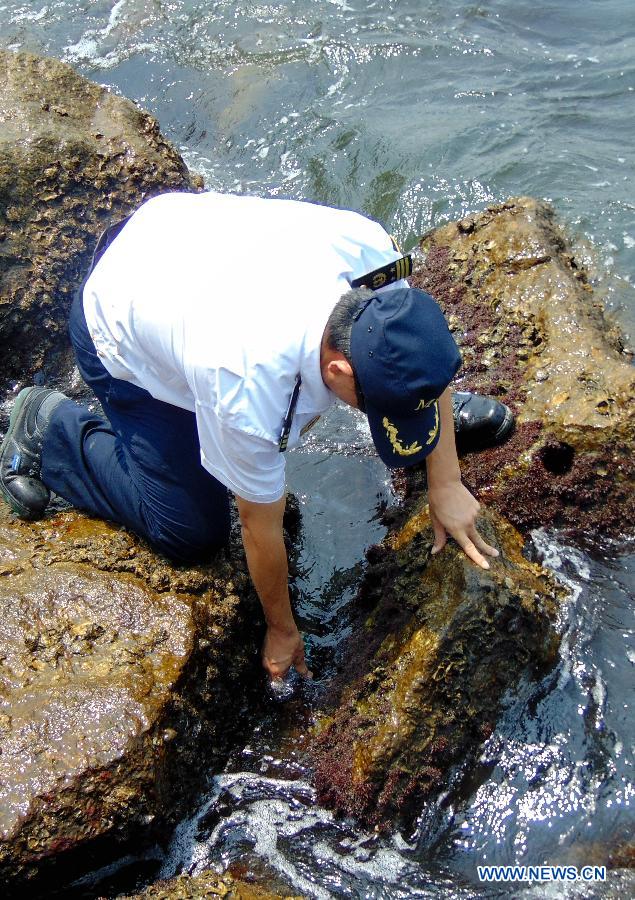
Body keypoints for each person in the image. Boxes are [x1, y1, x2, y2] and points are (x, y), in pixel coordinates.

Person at [0, 191, 513, 681]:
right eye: (378, 404)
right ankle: (51, 427)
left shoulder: (370, 255)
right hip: (117, 316)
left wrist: (445, 481)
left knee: (310, 415)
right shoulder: (246, 386)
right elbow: (257, 523)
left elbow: (417, 334)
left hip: (178, 246)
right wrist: (282, 629)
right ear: (337, 372)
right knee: (190, 532)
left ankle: (400, 400)